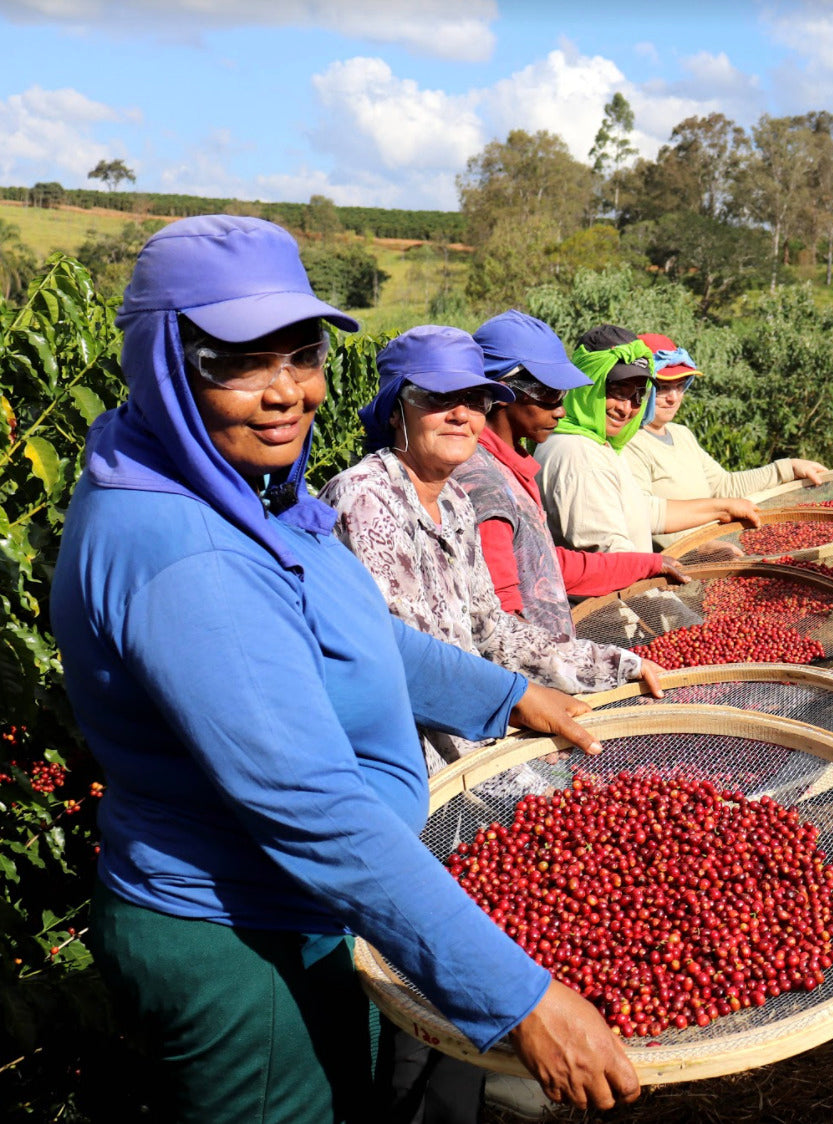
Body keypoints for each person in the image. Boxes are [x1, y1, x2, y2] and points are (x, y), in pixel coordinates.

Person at [51, 216, 639, 1121]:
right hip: (244, 936)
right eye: (236, 361)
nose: (287, 392)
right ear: (163, 365)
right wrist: (520, 1000)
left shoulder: (231, 485)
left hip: (307, 908)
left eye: (303, 352)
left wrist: (511, 693)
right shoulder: (188, 556)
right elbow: (307, 804)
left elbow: (353, 633)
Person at [321, 325, 662, 775]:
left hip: (468, 746)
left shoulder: (454, 502)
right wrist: (518, 702)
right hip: (400, 763)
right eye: (437, 397)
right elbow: (404, 658)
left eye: (475, 400)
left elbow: (491, 628)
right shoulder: (365, 498)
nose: (461, 415)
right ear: (393, 409)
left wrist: (615, 664)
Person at [454, 311, 687, 636]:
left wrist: (646, 564)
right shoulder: (487, 485)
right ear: (504, 391)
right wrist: (600, 665)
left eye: (562, 395)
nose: (561, 409)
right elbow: (502, 626)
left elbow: (545, 564)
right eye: (550, 395)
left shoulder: (512, 466)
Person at [534, 325, 759, 553]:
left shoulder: (598, 443)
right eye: (618, 392)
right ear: (588, 384)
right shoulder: (578, 455)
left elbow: (640, 511)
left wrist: (724, 508)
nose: (626, 408)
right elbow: (612, 554)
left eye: (638, 395)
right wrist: (689, 558)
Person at [625, 332, 828, 548]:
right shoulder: (630, 444)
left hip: (712, 553)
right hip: (675, 567)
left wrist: (788, 468)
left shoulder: (681, 435)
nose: (674, 398)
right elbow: (643, 516)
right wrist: (699, 549)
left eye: (679, 386)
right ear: (640, 389)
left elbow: (724, 485)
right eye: (663, 387)